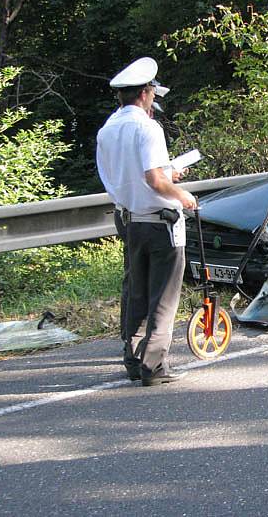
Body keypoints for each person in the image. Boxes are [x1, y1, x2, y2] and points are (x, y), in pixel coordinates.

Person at [96, 57, 196, 386]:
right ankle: (153, 365)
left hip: (127, 219)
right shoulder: (147, 127)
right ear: (145, 93)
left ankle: (132, 356)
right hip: (160, 221)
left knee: (135, 292)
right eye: (152, 91)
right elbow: (154, 179)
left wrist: (168, 174)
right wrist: (180, 193)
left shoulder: (107, 129)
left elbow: (121, 176)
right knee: (164, 296)